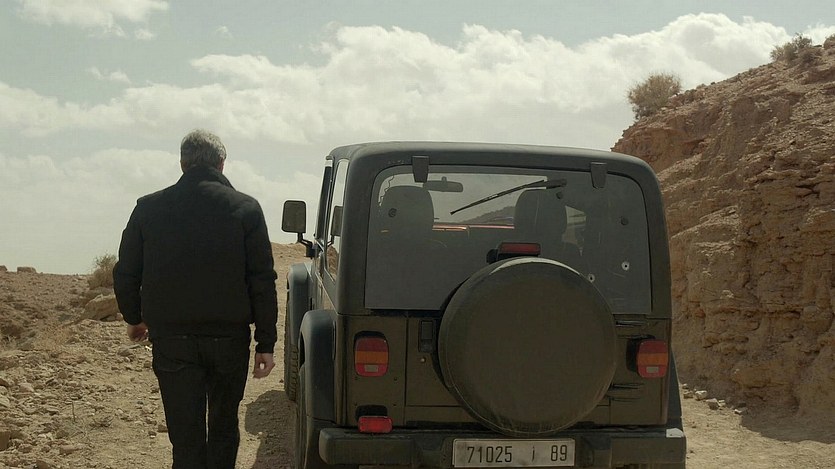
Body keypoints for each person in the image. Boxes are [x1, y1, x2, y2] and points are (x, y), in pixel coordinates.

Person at [113, 129, 278, 468]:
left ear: (182, 164)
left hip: (173, 341)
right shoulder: (245, 209)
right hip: (228, 340)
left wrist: (134, 318)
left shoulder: (148, 208)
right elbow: (261, 280)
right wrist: (266, 343)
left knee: (185, 435)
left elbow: (126, 273)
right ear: (221, 164)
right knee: (223, 427)